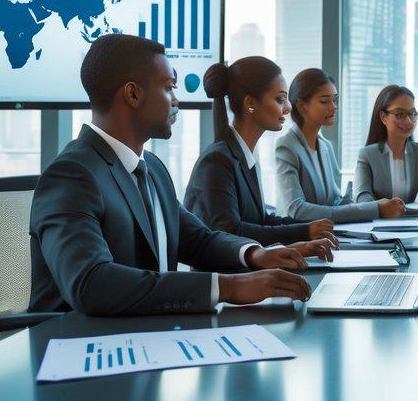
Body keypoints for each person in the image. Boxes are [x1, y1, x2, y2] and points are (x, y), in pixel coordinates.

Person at [29, 34, 312, 316]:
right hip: (78, 347)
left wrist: (254, 254)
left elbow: (198, 239)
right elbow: (91, 283)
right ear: (133, 94)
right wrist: (229, 287)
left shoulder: (151, 169)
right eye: (168, 89)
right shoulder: (72, 175)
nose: (177, 102)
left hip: (147, 336)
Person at [185, 56, 339, 260]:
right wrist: (303, 232)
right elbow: (231, 231)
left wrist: (309, 228)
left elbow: (261, 220)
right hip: (229, 280)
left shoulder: (243, 155)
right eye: (279, 99)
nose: (288, 108)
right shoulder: (216, 161)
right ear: (250, 104)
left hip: (248, 275)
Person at [275, 68, 403, 222]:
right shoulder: (286, 146)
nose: (333, 106)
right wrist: (374, 208)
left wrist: (368, 202)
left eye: (334, 100)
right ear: (302, 106)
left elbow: (335, 202)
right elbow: (297, 209)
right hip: (297, 239)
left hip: (326, 235)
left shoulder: (326, 146)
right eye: (324, 101)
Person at [354, 85, 418, 209]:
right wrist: (379, 208)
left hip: (409, 222)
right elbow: (362, 194)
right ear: (384, 117)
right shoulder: (367, 154)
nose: (408, 121)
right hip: (376, 223)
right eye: (399, 114)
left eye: (413, 114)